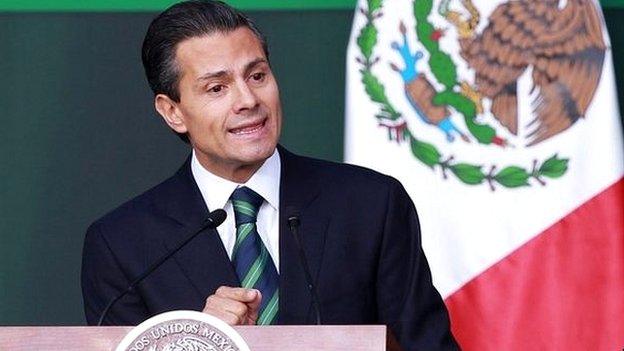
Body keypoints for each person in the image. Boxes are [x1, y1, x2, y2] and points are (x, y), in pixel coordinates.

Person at [81, 1, 458, 349]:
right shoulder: (123, 244)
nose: (248, 100)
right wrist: (198, 341)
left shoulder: (371, 204)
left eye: (257, 75)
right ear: (172, 112)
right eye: (217, 88)